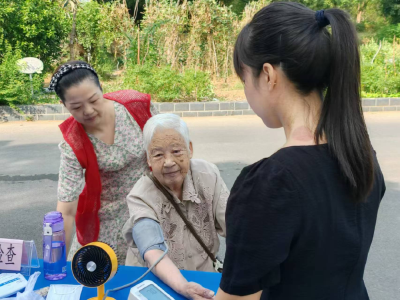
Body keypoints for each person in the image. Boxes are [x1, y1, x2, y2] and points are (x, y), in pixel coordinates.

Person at [215, 3, 386, 300]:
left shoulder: (270, 184)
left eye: (245, 80)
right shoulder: (361, 157)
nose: (246, 92)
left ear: (268, 76)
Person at [52, 61, 157, 263]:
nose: (89, 111)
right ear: (64, 105)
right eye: (76, 107)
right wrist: (56, 265)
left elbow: (168, 143)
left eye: (93, 100)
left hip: (151, 205)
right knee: (97, 277)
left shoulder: (136, 107)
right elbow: (66, 210)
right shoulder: (73, 142)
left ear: (102, 89)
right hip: (108, 221)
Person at [122, 113, 229, 300]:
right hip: (156, 285)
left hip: (203, 278)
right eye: (158, 155)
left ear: (190, 149)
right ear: (148, 159)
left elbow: (235, 225)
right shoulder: (140, 195)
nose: (169, 162)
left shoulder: (208, 175)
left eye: (177, 151)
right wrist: (183, 286)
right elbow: (152, 249)